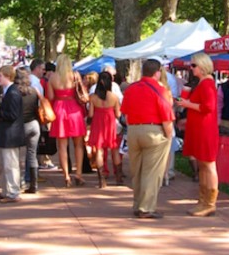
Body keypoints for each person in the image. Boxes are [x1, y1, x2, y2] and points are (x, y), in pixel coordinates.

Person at [120, 58, 174, 219]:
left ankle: (137, 204)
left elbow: (126, 115)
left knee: (137, 171)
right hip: (154, 131)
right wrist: (168, 136)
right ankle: (146, 207)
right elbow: (166, 117)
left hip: (133, 130)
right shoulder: (160, 89)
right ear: (157, 73)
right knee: (152, 172)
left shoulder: (131, 88)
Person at [176, 52, 220, 217]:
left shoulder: (207, 84)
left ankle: (209, 202)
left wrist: (188, 104)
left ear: (202, 67)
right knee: (203, 165)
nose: (191, 68)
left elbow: (208, 106)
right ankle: (203, 200)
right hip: (199, 127)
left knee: (208, 165)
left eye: (193, 65)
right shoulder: (203, 83)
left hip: (205, 130)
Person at [47, 54, 87, 188]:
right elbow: (80, 93)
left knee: (62, 146)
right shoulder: (75, 75)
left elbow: (51, 97)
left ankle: (66, 176)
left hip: (59, 109)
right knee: (79, 144)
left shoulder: (52, 78)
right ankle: (79, 173)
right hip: (74, 109)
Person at [0, 65, 25, 203]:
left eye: (0, 76)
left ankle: (13, 192)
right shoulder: (9, 92)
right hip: (6, 134)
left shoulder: (13, 93)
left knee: (10, 164)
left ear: (7, 76)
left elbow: (12, 115)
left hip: (11, 135)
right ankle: (6, 190)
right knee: (3, 164)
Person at [87, 71, 123, 187]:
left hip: (97, 123)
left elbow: (91, 114)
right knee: (114, 149)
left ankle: (101, 180)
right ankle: (118, 177)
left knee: (99, 150)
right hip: (110, 123)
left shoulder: (92, 97)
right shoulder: (114, 97)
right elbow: (118, 114)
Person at [15, 67, 40, 194]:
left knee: (16, 155)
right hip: (34, 124)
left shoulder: (15, 92)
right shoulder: (34, 91)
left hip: (20, 125)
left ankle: (19, 182)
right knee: (32, 154)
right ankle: (34, 184)